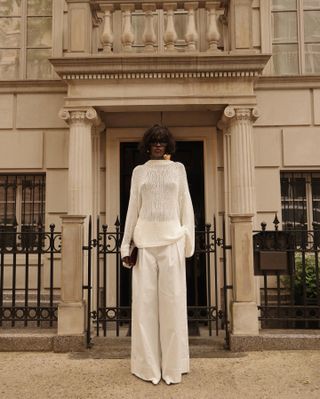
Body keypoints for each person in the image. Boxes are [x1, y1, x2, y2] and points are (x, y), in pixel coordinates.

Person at [121, 124, 195, 385]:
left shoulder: (178, 169)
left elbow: (186, 205)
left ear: (168, 145)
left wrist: (188, 241)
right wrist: (125, 245)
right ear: (147, 144)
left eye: (162, 141)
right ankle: (147, 367)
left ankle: (173, 367)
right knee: (144, 307)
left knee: (173, 305)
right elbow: (133, 208)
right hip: (144, 242)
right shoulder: (139, 172)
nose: (158, 144)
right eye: (154, 141)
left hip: (172, 240)